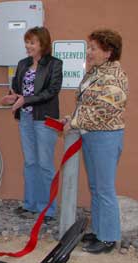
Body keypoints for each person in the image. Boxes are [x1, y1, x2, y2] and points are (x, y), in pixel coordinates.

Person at [64, 29, 128, 254]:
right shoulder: (95, 72)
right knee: (96, 187)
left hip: (105, 138)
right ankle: (100, 231)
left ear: (108, 52)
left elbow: (106, 110)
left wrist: (74, 122)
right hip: (91, 135)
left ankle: (109, 238)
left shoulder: (114, 76)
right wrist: (73, 119)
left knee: (104, 189)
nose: (88, 52)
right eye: (88, 47)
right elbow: (87, 105)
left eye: (93, 48)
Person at [0, 26, 63, 221]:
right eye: (27, 42)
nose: (28, 46)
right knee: (30, 163)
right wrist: (13, 98)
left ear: (42, 44)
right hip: (26, 119)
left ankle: (48, 209)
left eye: (32, 42)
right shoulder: (22, 64)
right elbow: (19, 90)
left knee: (45, 164)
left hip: (44, 119)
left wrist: (25, 100)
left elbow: (51, 91)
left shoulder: (54, 64)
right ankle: (30, 205)